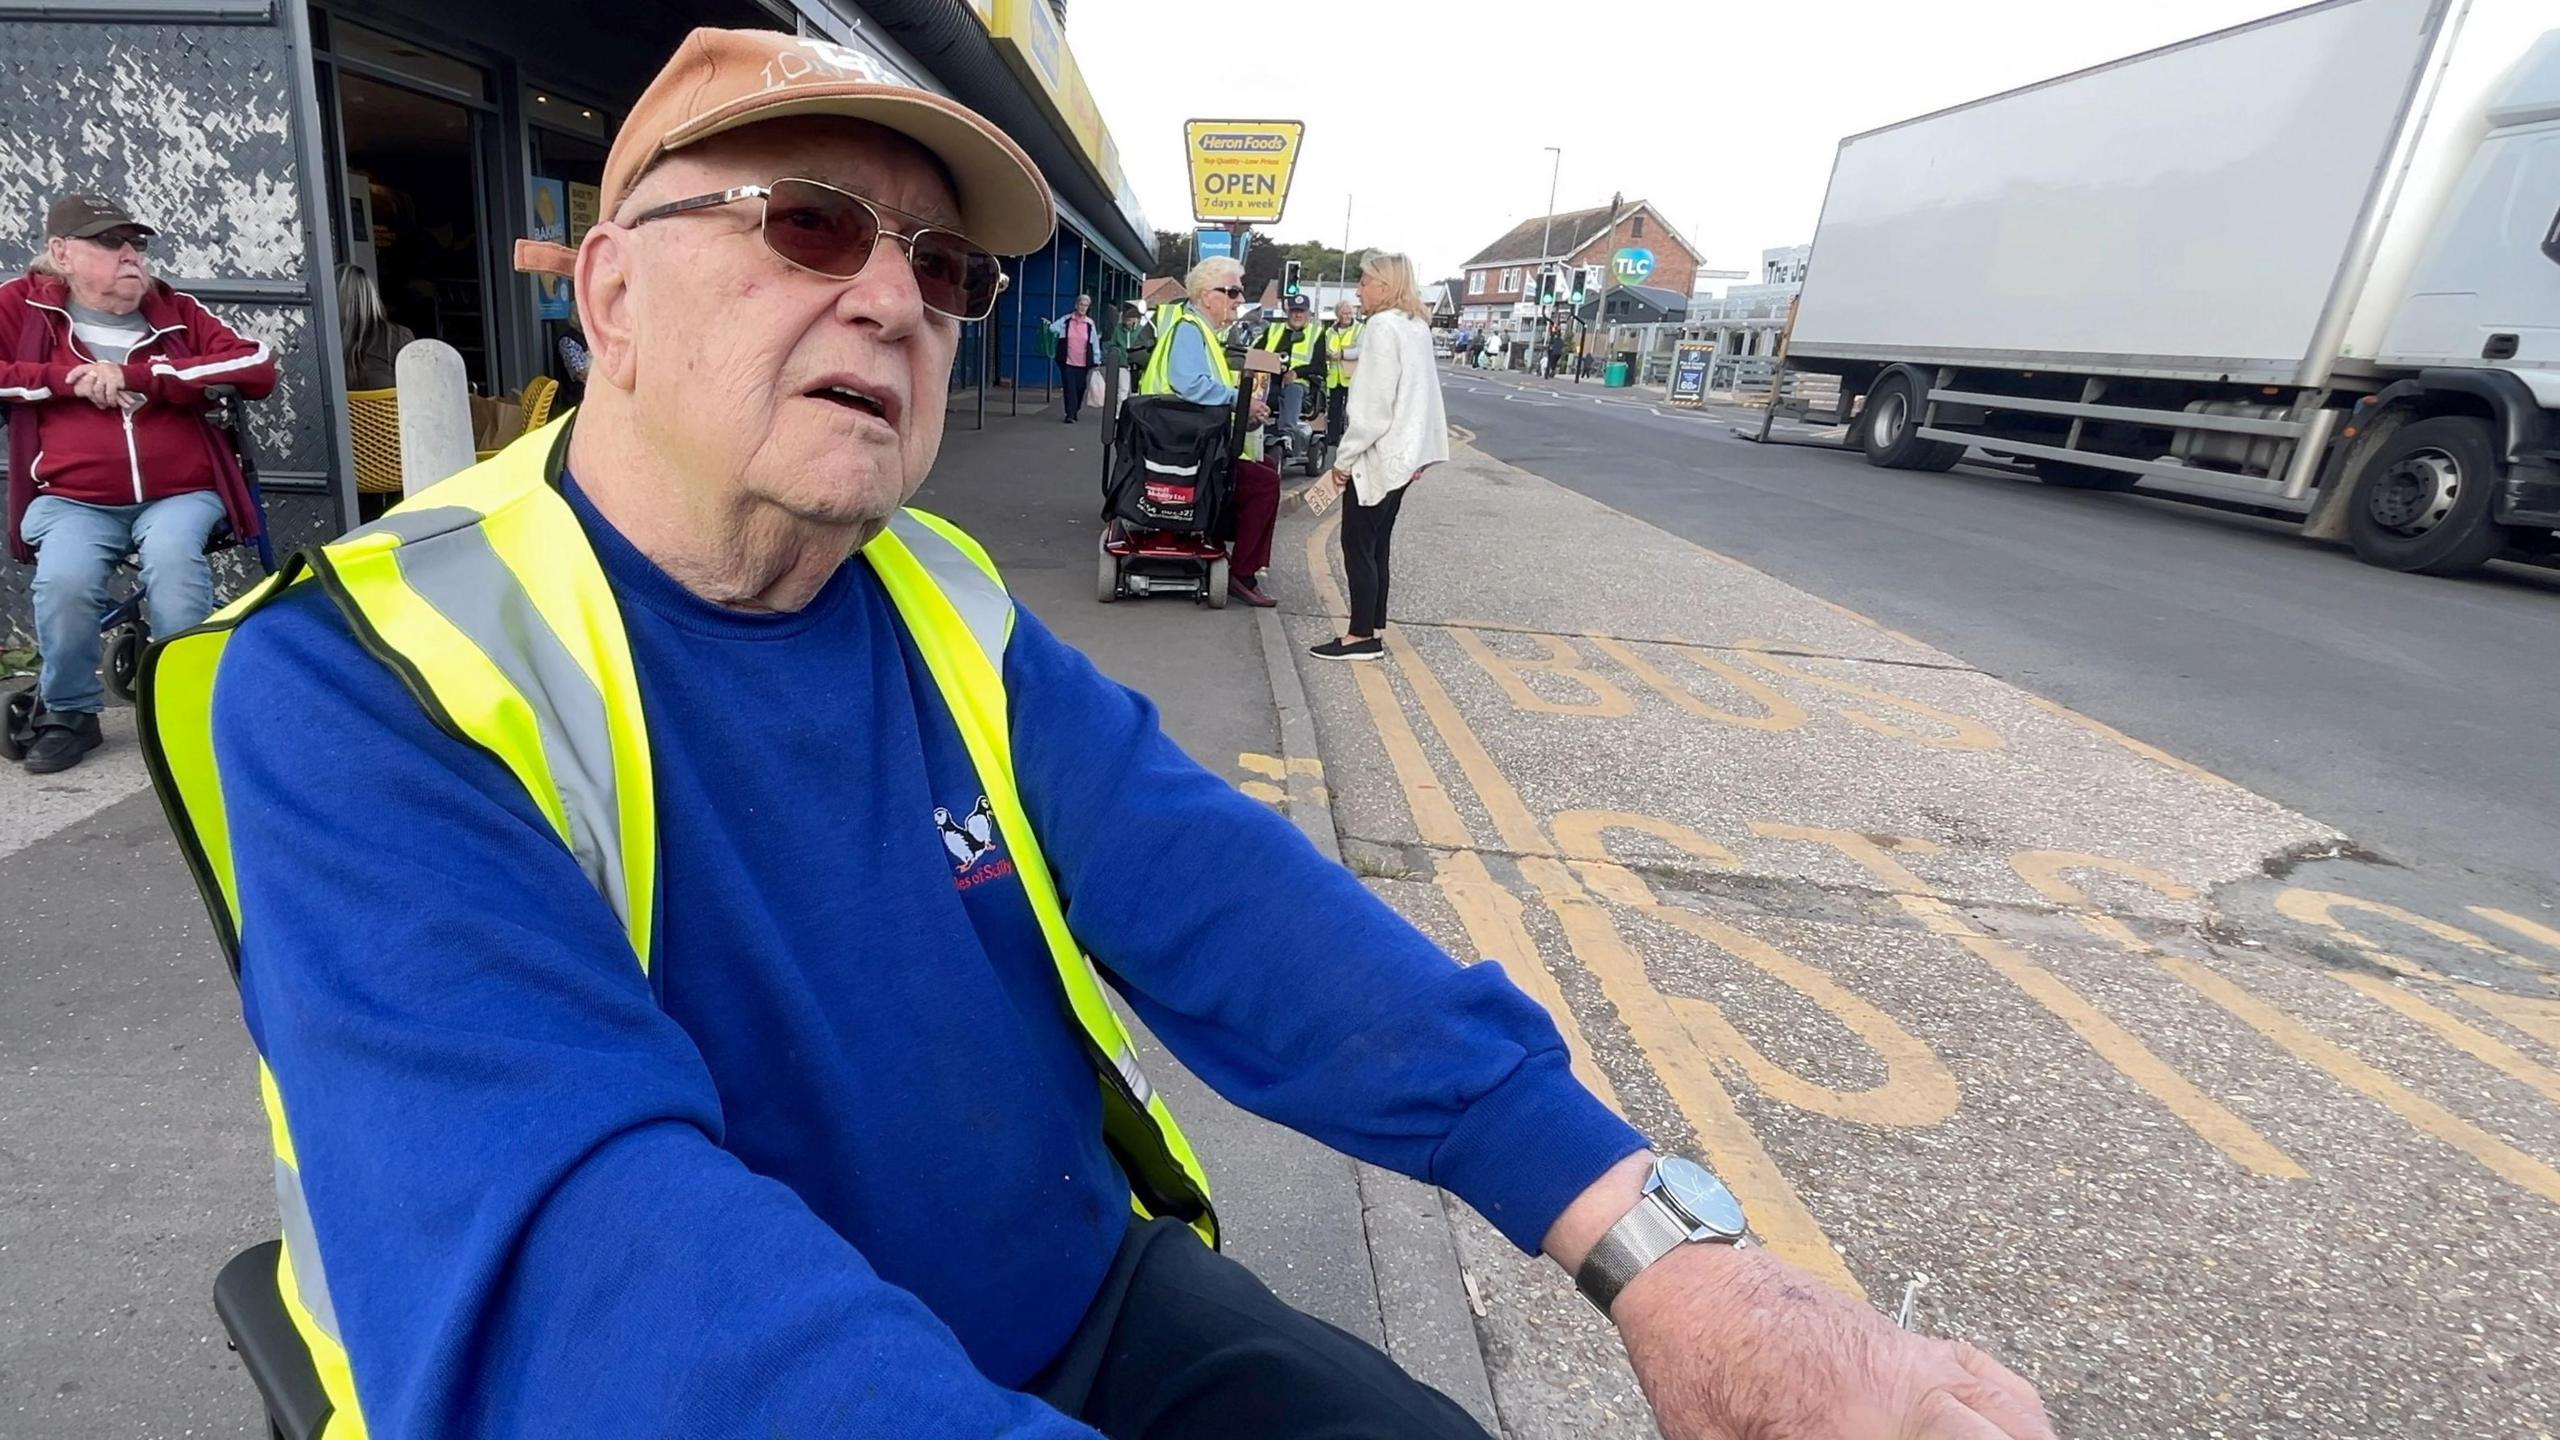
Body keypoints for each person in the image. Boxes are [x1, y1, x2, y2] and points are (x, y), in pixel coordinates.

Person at [140, 29, 2052, 1440]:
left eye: (941, 265)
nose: (895, 295)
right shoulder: (360, 674)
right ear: (614, 299)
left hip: (1074, 1306)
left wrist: (1665, 1250)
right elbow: (588, 1249)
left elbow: (1237, 906)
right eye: (811, 224)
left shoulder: (932, 592)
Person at [1, 193, 276, 774]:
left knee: (175, 563)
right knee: (65, 582)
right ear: (61, 253)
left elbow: (255, 364)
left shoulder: (175, 309)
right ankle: (71, 713)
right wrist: (66, 381)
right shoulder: (21, 307)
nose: (130, 255)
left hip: (180, 493)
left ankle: (185, 704)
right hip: (73, 498)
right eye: (108, 242)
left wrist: (139, 376)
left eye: (136, 244)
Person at [1308, 254, 1447, 663]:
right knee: (1377, 543)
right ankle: (1374, 623)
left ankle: (1360, 637)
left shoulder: (1382, 327)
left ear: (1385, 287)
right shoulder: (1415, 325)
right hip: (1405, 454)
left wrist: (1343, 460)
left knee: (1357, 542)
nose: (1358, 290)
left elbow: (1372, 406)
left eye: (1365, 281)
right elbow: (1424, 397)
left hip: (1380, 454)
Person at [1139, 256, 1282, 608]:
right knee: (1265, 483)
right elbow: (1189, 385)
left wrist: (1243, 410)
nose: (1238, 299)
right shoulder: (1190, 330)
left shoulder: (1198, 330)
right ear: (1206, 296)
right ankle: (1243, 574)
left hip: (1180, 444)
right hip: (1183, 453)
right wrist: (1240, 400)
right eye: (1232, 291)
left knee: (1263, 470)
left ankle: (1234, 552)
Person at [1258, 294, 1325, 457]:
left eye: (1301, 311)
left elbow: (1320, 367)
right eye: (1294, 311)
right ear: (1288, 312)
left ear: (1308, 313)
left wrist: (1297, 372)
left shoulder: (1316, 333)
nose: (1298, 315)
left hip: (1299, 385)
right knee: (1250, 389)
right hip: (1270, 380)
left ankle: (1287, 434)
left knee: (1292, 389)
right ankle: (1247, 430)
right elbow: (1257, 353)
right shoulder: (1273, 330)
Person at [336, 263, 416, 391]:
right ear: (372, 295)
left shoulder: (324, 347)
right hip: (390, 410)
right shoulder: (401, 336)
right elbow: (418, 386)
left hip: (347, 411)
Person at [1320, 299, 1362, 448]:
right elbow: (1324, 348)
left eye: (1349, 312)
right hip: (1335, 377)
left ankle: (1351, 439)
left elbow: (1361, 350)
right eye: (1344, 313)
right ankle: (1333, 438)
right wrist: (1328, 354)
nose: (1347, 316)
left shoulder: (1359, 329)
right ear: (1338, 314)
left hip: (1352, 376)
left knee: (1352, 409)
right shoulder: (1330, 331)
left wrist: (1343, 354)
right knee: (1334, 410)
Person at [1053, 292, 1099, 424]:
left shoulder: (1090, 324)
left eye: (1086, 305)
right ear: (1076, 305)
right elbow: (1052, 329)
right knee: (1069, 388)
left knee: (1080, 388)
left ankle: (1075, 409)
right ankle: (1070, 414)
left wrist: (1096, 358)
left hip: (1083, 362)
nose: (1083, 307)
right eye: (1081, 304)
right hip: (1068, 361)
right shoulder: (1066, 320)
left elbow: (1094, 342)